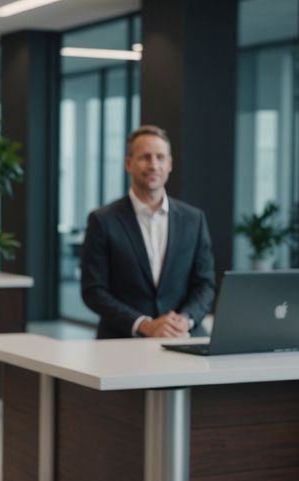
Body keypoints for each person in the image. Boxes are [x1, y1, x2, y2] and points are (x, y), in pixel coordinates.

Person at [80, 125, 216, 339]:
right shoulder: (102, 220)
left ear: (170, 164)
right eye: (145, 157)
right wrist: (144, 324)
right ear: (128, 163)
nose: (154, 165)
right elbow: (93, 290)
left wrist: (185, 320)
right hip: (123, 341)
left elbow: (205, 284)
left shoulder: (194, 219)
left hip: (183, 338)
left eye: (160, 157)